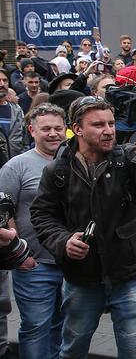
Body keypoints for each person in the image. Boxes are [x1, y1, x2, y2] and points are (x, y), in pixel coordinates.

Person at [30, 96, 136, 358]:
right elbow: (42, 215)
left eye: (111, 123)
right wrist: (63, 241)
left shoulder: (127, 157)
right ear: (77, 129)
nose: (109, 130)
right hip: (82, 278)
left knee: (133, 349)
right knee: (74, 348)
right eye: (98, 125)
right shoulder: (58, 169)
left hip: (128, 274)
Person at [0, 103, 67, 358]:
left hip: (71, 262)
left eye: (58, 128)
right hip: (35, 264)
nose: (53, 133)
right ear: (31, 130)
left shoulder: (75, 161)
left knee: (62, 325)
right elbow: (4, 212)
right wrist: (21, 255)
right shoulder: (17, 166)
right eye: (46, 128)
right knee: (36, 326)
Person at [0, 69, 28, 158]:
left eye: (5, 80)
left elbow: (24, 139)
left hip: (16, 164)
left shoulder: (17, 110)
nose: (2, 84)